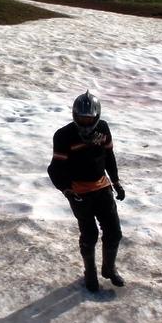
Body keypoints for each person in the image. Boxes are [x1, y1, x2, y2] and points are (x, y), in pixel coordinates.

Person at [48, 91, 126, 292]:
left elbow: (109, 155)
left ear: (97, 117)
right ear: (74, 115)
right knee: (89, 234)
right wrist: (66, 190)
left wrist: (116, 182)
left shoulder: (103, 128)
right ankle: (89, 273)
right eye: (81, 118)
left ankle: (109, 269)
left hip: (102, 187)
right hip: (79, 192)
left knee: (114, 232)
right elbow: (55, 168)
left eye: (89, 118)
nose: (85, 122)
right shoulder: (63, 136)